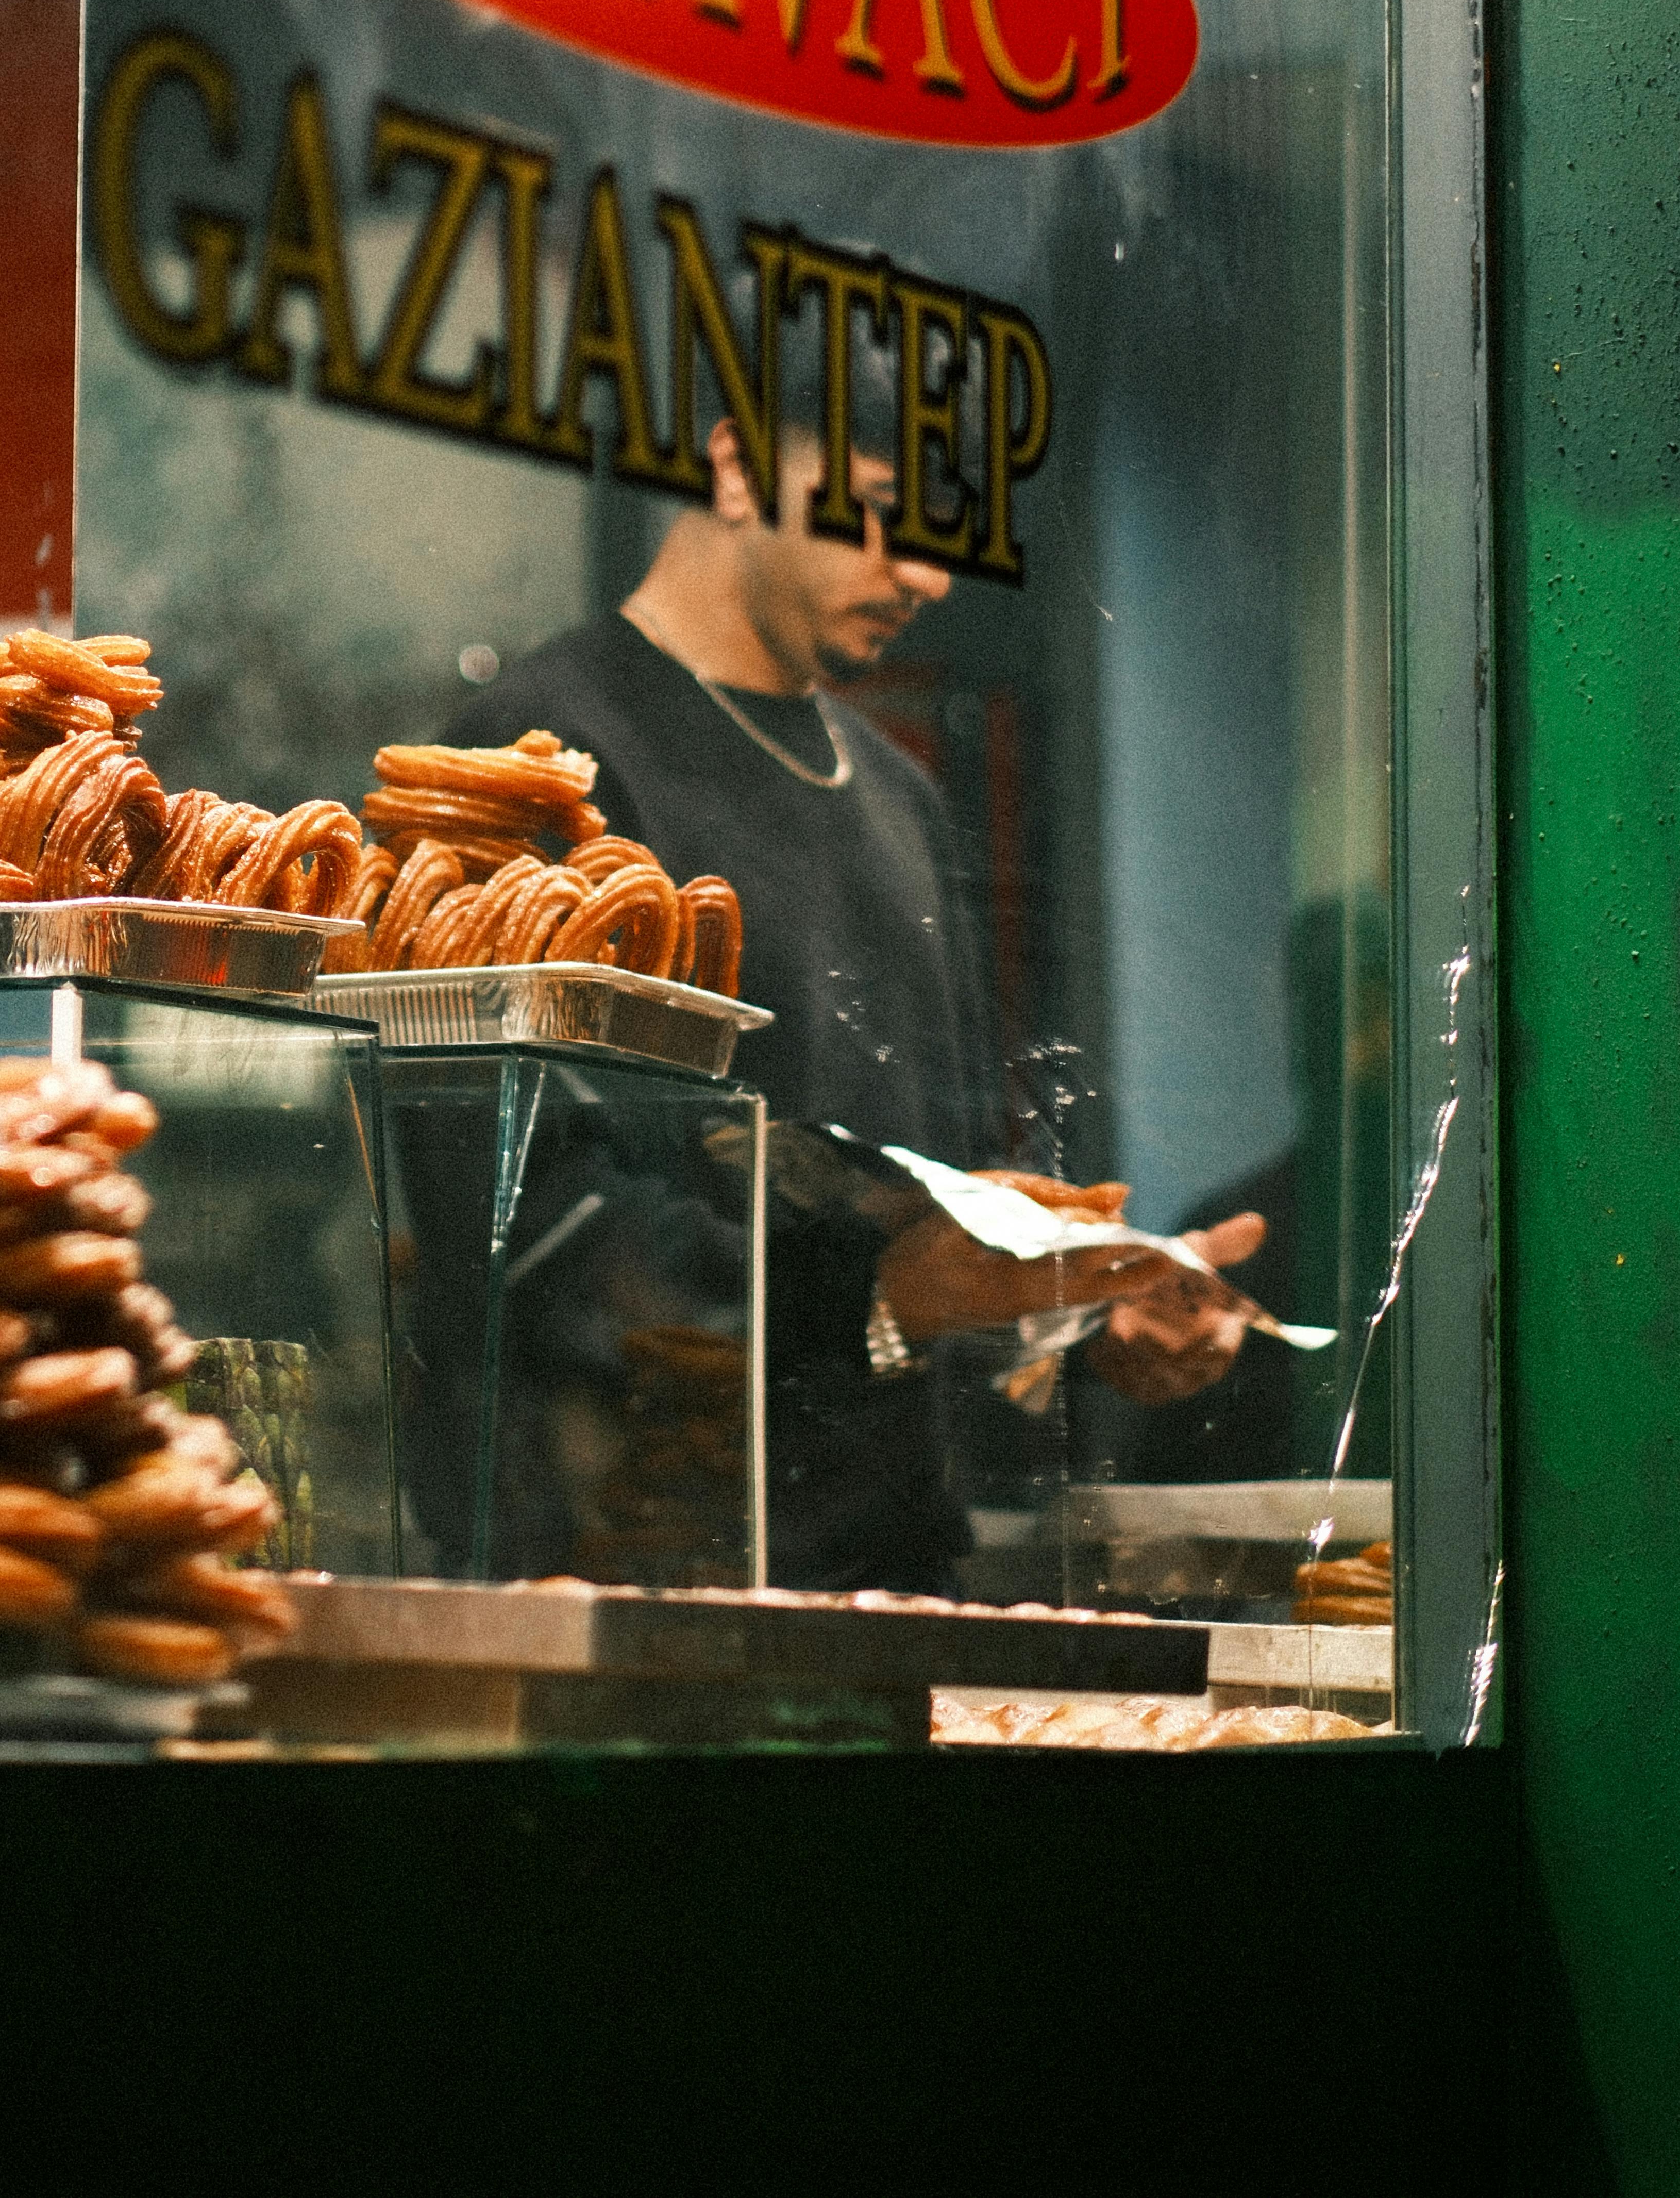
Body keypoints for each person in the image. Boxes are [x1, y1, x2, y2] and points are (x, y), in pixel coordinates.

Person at [455, 410, 1264, 1591]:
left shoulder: (897, 793)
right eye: (884, 506)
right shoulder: (544, 756)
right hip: (645, 1576)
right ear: (730, 465)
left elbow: (930, 1204)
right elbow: (528, 1223)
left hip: (900, 1572)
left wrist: (1077, 1310)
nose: (927, 574)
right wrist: (877, 1297)